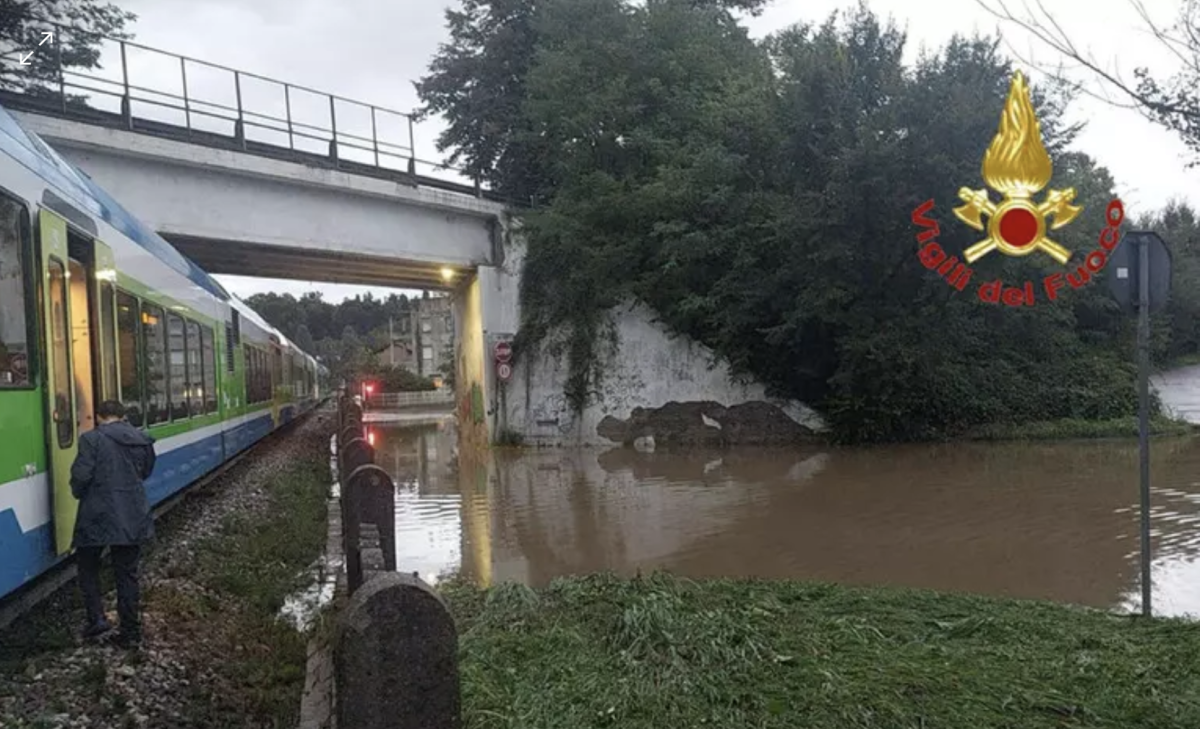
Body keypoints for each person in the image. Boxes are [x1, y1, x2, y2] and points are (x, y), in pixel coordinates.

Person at [70, 400, 157, 648]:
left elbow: (81, 476)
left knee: (88, 566)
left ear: (98, 417)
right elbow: (146, 471)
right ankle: (130, 632)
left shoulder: (91, 439)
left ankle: (97, 619)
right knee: (127, 573)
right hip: (132, 513)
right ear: (122, 416)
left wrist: (79, 493)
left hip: (96, 513)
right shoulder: (142, 439)